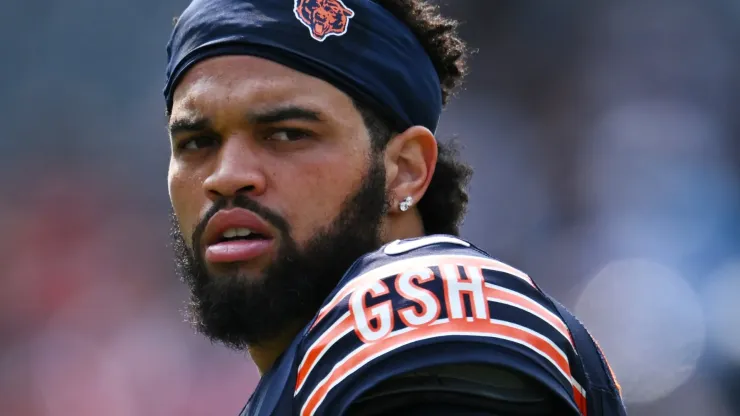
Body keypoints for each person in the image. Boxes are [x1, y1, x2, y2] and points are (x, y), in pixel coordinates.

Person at [163, 0, 627, 414]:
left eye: (287, 134)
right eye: (196, 142)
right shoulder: (318, 362)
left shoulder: (417, 317)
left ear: (404, 169)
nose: (226, 176)